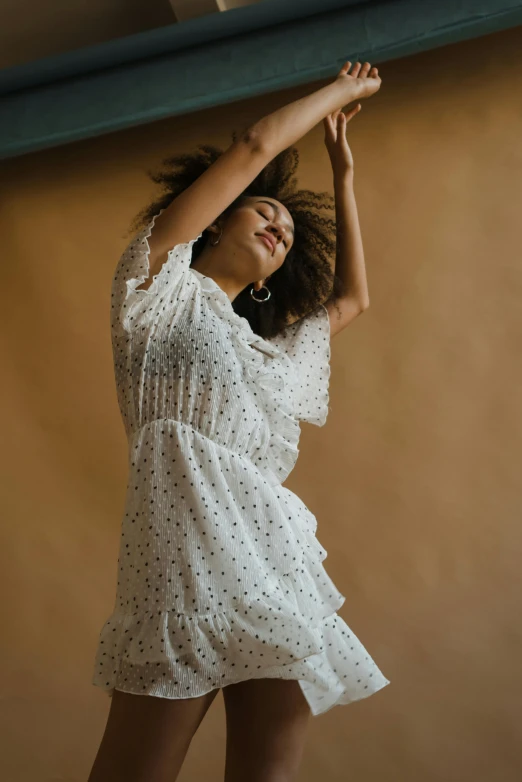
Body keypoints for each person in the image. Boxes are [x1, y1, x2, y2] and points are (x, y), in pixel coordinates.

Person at [88, 61, 390, 782]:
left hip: (270, 558)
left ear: (265, 280)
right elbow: (255, 144)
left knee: (273, 755)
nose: (279, 232)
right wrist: (343, 91)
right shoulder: (155, 290)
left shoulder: (268, 354)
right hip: (182, 556)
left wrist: (342, 174)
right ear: (215, 219)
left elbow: (351, 301)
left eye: (287, 234)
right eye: (265, 215)